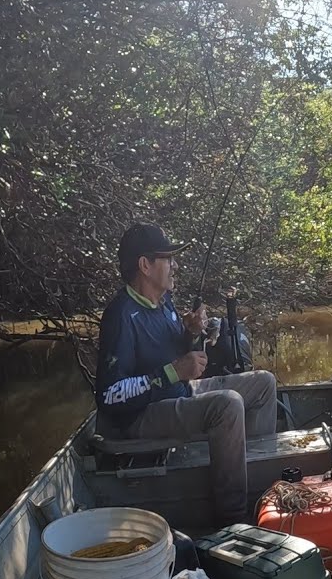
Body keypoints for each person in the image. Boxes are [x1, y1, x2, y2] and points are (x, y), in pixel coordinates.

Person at [94, 223, 278, 527]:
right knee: (228, 405)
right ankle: (233, 520)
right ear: (145, 265)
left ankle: (261, 488)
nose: (175, 265)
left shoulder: (163, 301)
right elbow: (109, 395)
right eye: (168, 258)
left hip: (178, 393)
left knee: (264, 384)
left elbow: (174, 349)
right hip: (140, 416)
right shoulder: (120, 316)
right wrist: (172, 372)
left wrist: (192, 332)